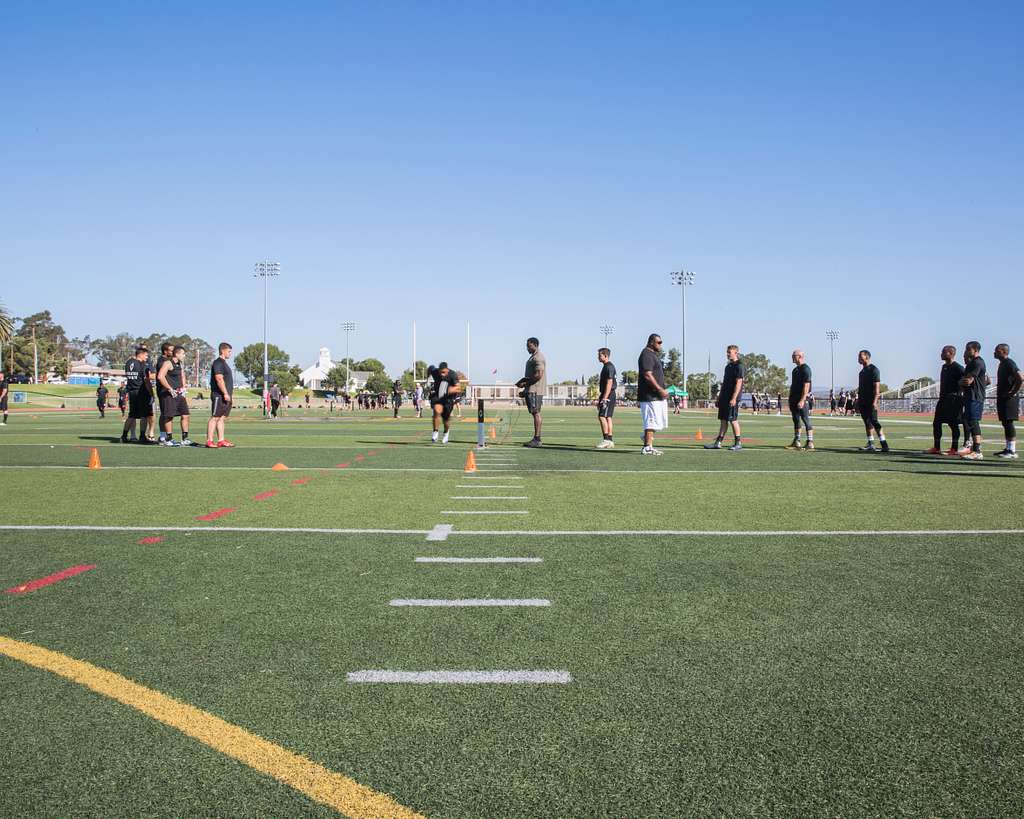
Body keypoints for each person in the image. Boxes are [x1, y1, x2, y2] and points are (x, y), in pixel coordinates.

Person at [925, 345, 964, 455]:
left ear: (951, 354)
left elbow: (967, 380)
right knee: (936, 423)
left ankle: (954, 448)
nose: (941, 354)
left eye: (943, 352)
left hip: (953, 400)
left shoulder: (958, 367)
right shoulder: (944, 367)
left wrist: (959, 392)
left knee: (953, 424)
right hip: (943, 399)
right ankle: (936, 447)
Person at [706, 345, 745, 451]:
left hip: (732, 398)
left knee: (733, 420)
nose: (727, 354)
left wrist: (734, 398)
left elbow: (739, 383)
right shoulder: (728, 366)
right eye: (727, 352)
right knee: (723, 420)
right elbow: (724, 383)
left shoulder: (739, 366)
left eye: (729, 352)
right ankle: (718, 442)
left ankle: (738, 443)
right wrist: (719, 397)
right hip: (724, 397)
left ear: (736, 353)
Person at [157, 345, 195, 446]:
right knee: (169, 417)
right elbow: (160, 376)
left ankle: (185, 438)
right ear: (177, 354)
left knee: (185, 415)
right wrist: (170, 388)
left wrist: (184, 387)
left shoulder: (180, 364)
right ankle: (168, 439)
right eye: (183, 354)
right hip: (169, 395)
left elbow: (182, 375)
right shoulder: (168, 363)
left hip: (179, 394)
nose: (184, 355)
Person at [638, 334, 669, 455]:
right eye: (659, 342)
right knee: (651, 421)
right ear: (651, 342)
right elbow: (647, 374)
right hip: (650, 396)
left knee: (658, 421)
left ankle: (646, 437)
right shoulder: (646, 354)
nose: (661, 344)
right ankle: (647, 447)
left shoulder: (652, 355)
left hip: (656, 396)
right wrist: (659, 389)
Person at [957, 341, 987, 460]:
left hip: (975, 396)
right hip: (970, 395)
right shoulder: (972, 363)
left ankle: (977, 450)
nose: (966, 351)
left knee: (974, 421)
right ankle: (971, 447)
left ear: (975, 350)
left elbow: (968, 381)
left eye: (968, 349)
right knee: (968, 420)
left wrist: (961, 381)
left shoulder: (978, 362)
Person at [516, 337, 546, 448]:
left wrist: (525, 384)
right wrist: (525, 391)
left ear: (535, 345)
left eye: (529, 345)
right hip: (531, 390)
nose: (527, 348)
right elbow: (531, 376)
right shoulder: (533, 357)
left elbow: (539, 375)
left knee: (536, 413)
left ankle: (537, 439)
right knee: (535, 413)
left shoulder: (538, 357)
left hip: (535, 390)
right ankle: (536, 438)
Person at [121, 346, 155, 444]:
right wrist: (151, 393)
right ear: (140, 354)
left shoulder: (128, 363)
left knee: (131, 415)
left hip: (132, 391)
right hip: (141, 392)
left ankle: (124, 436)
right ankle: (142, 436)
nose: (147, 358)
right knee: (144, 415)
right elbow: (147, 380)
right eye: (146, 355)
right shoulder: (142, 365)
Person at [856, 350, 888, 453]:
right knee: (867, 422)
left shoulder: (874, 370)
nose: (858, 358)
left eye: (860, 356)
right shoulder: (861, 372)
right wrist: (858, 401)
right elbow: (861, 388)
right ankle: (871, 443)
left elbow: (877, 388)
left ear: (867, 357)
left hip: (871, 401)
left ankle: (884, 444)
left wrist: (875, 402)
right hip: (862, 401)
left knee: (874, 421)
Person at [993, 343, 1021, 459]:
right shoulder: (1002, 364)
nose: (994, 352)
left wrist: (1012, 392)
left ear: (1004, 352)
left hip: (1009, 398)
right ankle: (1008, 448)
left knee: (1009, 423)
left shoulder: (1009, 363)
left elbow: (1020, 377)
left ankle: (1012, 451)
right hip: (1003, 397)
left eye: (997, 351)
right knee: (1005, 422)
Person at [207, 342, 234, 448]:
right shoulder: (218, 363)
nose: (230, 353)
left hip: (226, 396)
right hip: (219, 395)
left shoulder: (224, 363)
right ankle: (209, 440)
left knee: (221, 418)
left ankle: (221, 440)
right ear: (222, 350)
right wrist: (225, 393)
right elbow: (219, 379)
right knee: (215, 417)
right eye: (229, 351)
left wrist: (230, 396)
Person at [785, 350, 814, 451]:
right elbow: (794, 385)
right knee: (796, 420)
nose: (792, 357)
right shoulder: (795, 370)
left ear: (800, 356)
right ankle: (797, 441)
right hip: (794, 398)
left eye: (794, 355)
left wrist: (802, 399)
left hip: (802, 399)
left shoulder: (806, 369)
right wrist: (790, 398)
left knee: (805, 419)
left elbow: (806, 386)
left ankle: (810, 442)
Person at [428, 362, 460, 444]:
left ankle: (446, 433)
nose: (442, 374)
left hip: (448, 398)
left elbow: (458, 388)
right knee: (436, 411)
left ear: (447, 370)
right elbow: (431, 367)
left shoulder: (453, 375)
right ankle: (435, 432)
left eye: (444, 372)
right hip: (438, 397)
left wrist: (450, 390)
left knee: (446, 420)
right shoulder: (435, 372)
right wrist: (428, 374)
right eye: (440, 372)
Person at [596, 347, 617, 449]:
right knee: (608, 417)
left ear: (605, 356)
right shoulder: (607, 366)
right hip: (608, 394)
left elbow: (609, 383)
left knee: (602, 416)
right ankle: (610, 440)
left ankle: (606, 439)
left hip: (608, 394)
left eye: (600, 355)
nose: (598, 357)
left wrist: (604, 398)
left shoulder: (609, 367)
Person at [154, 342, 174, 443]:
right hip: (163, 390)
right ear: (165, 351)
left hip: (168, 390)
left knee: (167, 413)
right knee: (165, 413)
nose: (173, 352)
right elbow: (162, 376)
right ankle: (163, 436)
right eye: (171, 350)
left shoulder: (168, 360)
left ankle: (164, 435)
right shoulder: (163, 361)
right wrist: (169, 388)